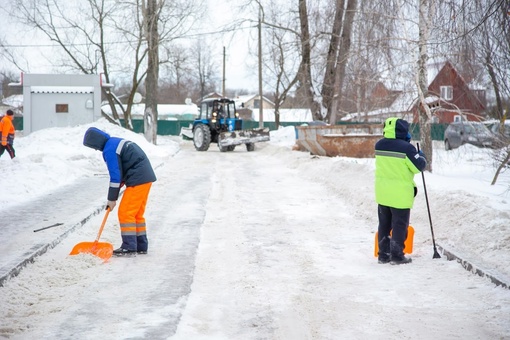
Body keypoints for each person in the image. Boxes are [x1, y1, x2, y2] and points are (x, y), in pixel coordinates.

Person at [83, 127, 157, 256]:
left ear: (95, 143)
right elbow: (124, 167)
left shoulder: (109, 150)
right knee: (136, 214)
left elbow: (115, 176)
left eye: (93, 146)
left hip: (138, 178)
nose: (95, 149)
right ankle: (141, 245)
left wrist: (111, 199)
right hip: (145, 177)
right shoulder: (114, 142)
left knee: (126, 212)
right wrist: (118, 188)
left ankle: (129, 247)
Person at [375, 117, 427, 265]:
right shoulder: (406, 148)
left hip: (383, 192)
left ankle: (383, 255)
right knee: (399, 224)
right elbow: (418, 166)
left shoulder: (379, 145)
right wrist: (420, 155)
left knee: (384, 224)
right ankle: (397, 255)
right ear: (402, 131)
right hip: (400, 194)